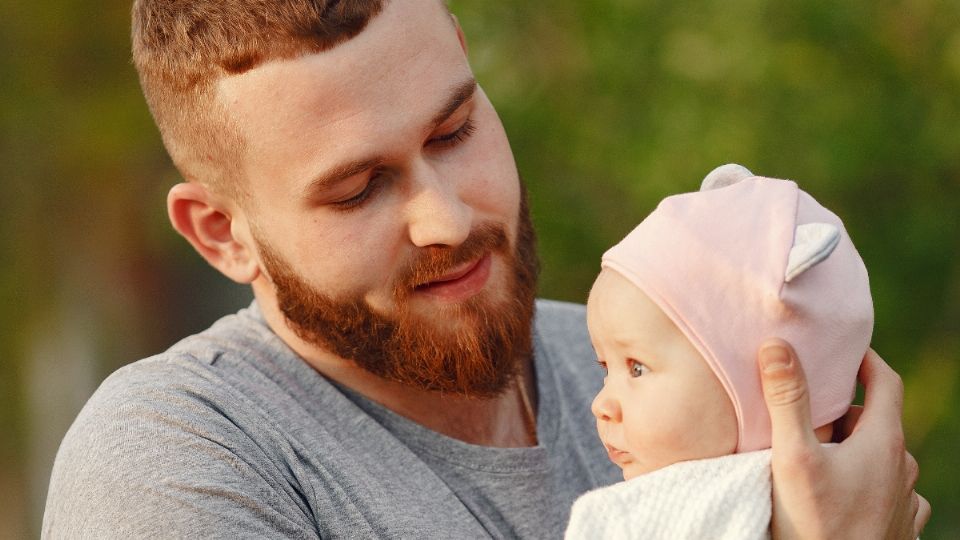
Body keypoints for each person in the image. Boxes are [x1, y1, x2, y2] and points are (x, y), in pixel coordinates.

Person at [42, 1, 928, 538]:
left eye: (454, 131)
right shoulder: (180, 459)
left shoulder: (664, 370)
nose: (449, 218)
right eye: (358, 190)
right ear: (220, 233)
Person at [564, 164, 874, 539]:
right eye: (604, 367)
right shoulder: (873, 497)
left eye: (637, 369)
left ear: (764, 382)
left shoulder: (631, 520)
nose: (600, 404)